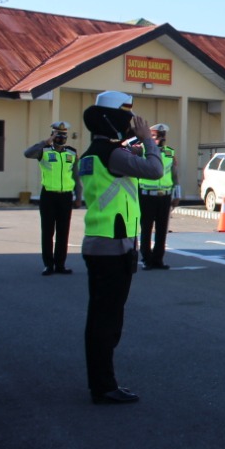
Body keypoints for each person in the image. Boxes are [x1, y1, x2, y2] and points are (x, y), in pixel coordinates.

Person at [79, 91, 164, 404]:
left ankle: (101, 381)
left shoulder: (92, 152)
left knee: (101, 317)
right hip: (112, 247)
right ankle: (103, 386)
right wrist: (148, 141)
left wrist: (132, 144)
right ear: (113, 120)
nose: (133, 124)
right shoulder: (111, 154)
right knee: (107, 320)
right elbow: (155, 171)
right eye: (128, 118)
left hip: (102, 243)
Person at [24, 121, 82, 276]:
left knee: (63, 232)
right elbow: (27, 153)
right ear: (52, 135)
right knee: (48, 231)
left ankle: (60, 264)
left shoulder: (71, 152)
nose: (61, 138)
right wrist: (46, 142)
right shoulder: (44, 151)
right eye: (57, 135)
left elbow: (76, 176)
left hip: (66, 196)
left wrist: (79, 196)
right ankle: (48, 265)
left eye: (63, 135)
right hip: (48, 195)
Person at [138, 123, 179, 271]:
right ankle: (146, 259)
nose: (160, 139)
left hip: (165, 195)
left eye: (162, 136)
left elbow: (174, 175)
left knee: (162, 229)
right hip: (147, 194)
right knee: (146, 228)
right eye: (156, 136)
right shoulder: (142, 151)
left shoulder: (170, 153)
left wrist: (177, 194)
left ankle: (158, 259)